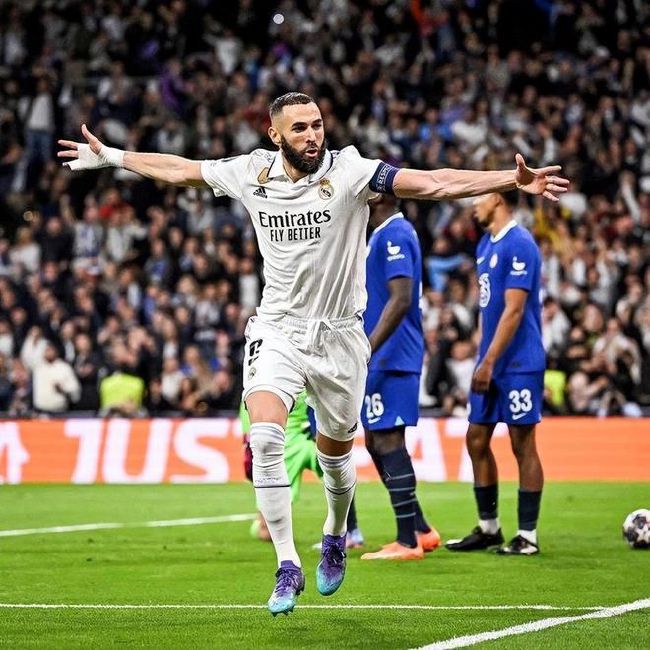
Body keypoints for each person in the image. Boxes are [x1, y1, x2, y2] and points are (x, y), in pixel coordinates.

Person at [58, 92, 568, 614]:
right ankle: (286, 564)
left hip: (342, 337)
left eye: (317, 125)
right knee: (265, 437)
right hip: (277, 329)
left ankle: (332, 532)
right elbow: (181, 169)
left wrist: (509, 180)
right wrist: (114, 157)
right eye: (299, 128)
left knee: (336, 458)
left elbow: (433, 182)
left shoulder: (351, 172)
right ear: (275, 134)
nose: (312, 136)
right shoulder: (250, 172)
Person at [445, 191, 546, 556]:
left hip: (519, 362)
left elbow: (515, 312)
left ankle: (528, 535)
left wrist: (488, 360)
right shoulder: (486, 245)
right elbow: (489, 310)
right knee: (476, 439)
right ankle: (489, 528)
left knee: (522, 444)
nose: (473, 204)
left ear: (499, 200)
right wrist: (482, 354)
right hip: (490, 359)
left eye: (479, 198)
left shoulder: (520, 243)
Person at [359, 195, 440, 561]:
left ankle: (407, 541)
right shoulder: (382, 234)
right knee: (377, 442)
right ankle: (421, 529)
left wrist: (369, 346)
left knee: (388, 441)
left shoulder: (395, 233)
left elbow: (401, 297)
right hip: (386, 357)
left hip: (392, 356)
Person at [240, 391, 364, 547]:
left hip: (301, 439)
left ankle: (350, 532)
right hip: (290, 440)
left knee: (339, 474)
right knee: (338, 475)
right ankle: (351, 532)